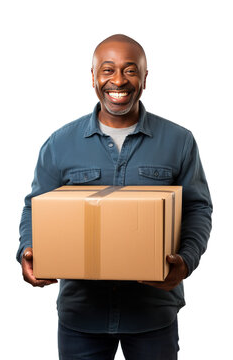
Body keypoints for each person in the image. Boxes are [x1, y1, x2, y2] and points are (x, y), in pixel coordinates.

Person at [17, 34, 212, 360]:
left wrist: (187, 261)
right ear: (93, 77)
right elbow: (34, 206)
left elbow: (196, 208)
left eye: (130, 70)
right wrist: (28, 249)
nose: (118, 80)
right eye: (107, 70)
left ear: (145, 78)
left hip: (153, 311)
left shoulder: (178, 141)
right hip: (82, 314)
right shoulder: (60, 143)